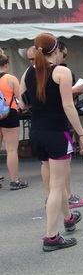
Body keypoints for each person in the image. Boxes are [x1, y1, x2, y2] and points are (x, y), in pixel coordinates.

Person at [19, 33, 83, 251]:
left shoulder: (28, 72)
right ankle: (51, 236)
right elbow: (68, 106)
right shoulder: (62, 71)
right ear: (57, 49)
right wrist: (82, 135)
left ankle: (68, 218)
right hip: (57, 133)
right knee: (57, 187)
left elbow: (22, 102)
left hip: (37, 132)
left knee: (53, 184)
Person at [0, 50, 28, 190]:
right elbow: (20, 97)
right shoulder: (10, 79)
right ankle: (14, 180)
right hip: (9, 113)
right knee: (11, 149)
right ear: (6, 64)